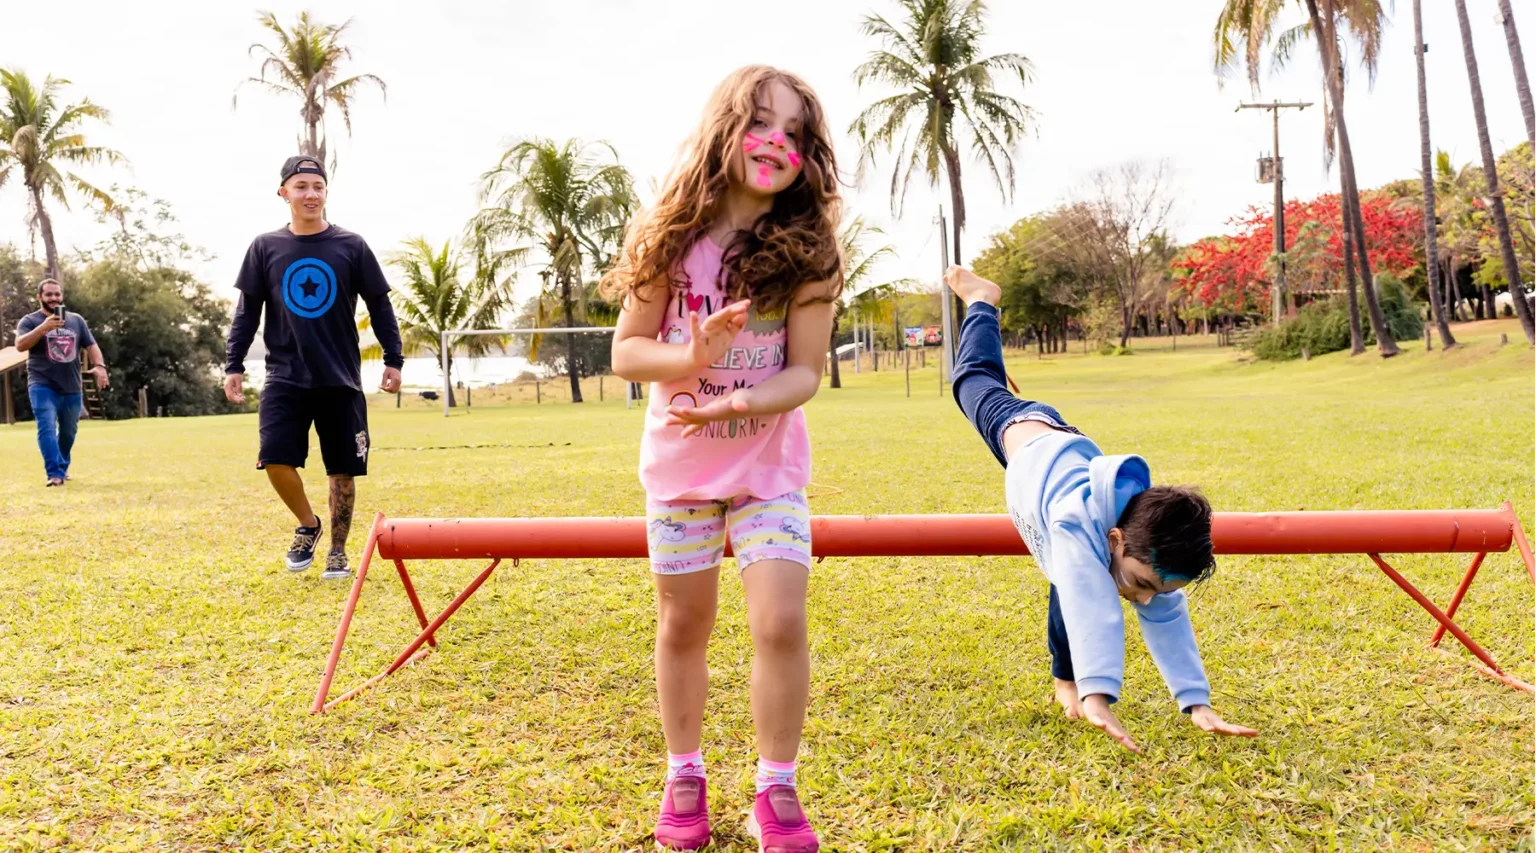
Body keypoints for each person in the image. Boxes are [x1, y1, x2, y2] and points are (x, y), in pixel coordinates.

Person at [605, 66, 842, 853]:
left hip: (768, 466)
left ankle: (776, 787)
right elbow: (627, 351)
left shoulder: (809, 253)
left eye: (796, 134)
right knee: (684, 624)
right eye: (761, 123)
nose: (776, 142)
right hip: (681, 469)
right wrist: (690, 354)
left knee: (780, 619)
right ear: (725, 130)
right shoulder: (670, 237)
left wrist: (746, 400)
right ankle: (684, 772)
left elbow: (805, 370)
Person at [943, 265, 1258, 754]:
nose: (1146, 599)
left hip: (1066, 444)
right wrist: (1098, 694)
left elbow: (1167, 615)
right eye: (1146, 585)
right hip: (1018, 429)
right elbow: (1090, 609)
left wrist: (1197, 701)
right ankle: (984, 302)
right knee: (969, 381)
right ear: (1115, 539)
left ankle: (1062, 678)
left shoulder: (1141, 547)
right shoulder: (1075, 525)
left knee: (1069, 576)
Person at [224, 155, 404, 580]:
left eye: (318, 187)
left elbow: (380, 305)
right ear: (283, 192)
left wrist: (393, 358)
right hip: (284, 375)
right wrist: (233, 363)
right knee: (273, 457)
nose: (310, 194)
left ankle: (338, 552)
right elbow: (246, 313)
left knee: (342, 470)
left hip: (340, 377)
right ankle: (308, 524)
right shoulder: (265, 247)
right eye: (301, 186)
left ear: (326, 193)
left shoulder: (352, 246)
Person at [14, 278, 108, 486]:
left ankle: (62, 468)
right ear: (39, 297)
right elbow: (20, 345)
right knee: (46, 426)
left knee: (68, 431)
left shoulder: (76, 320)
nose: (54, 298)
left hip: (71, 385)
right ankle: (54, 473)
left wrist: (100, 367)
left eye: (57, 294)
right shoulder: (29, 321)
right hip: (42, 384)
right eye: (48, 295)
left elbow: (91, 345)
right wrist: (43, 328)